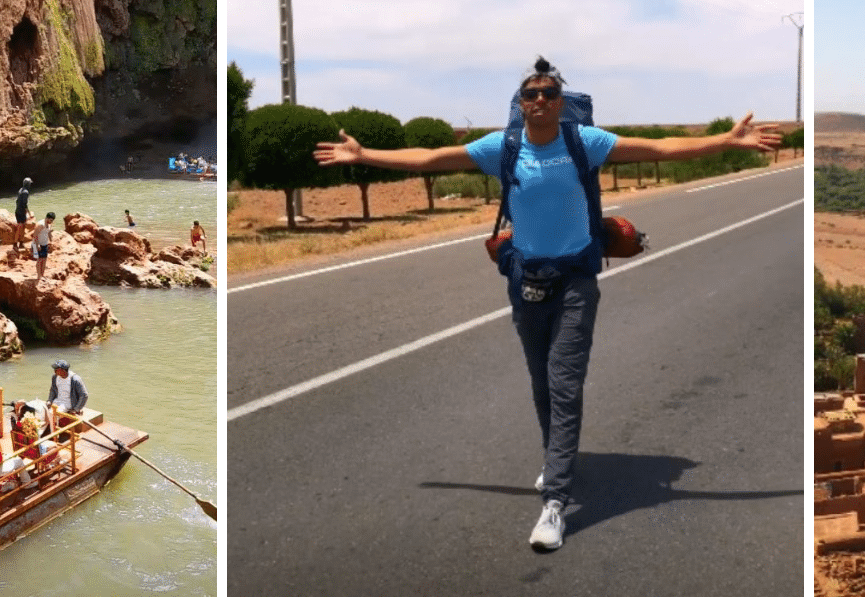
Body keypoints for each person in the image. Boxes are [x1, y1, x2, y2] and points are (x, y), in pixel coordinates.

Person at [314, 56, 780, 550]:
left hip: (577, 279)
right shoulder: (503, 147)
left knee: (564, 382)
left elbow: (662, 148)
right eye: (531, 94)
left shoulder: (584, 142)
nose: (540, 100)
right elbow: (431, 158)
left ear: (561, 103)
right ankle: (554, 458)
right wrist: (364, 154)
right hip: (526, 279)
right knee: (542, 383)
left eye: (549, 94)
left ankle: (555, 501)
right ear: (520, 104)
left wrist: (726, 141)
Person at [33, 211, 54, 282]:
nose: (51, 222)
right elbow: (35, 235)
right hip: (38, 244)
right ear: (47, 218)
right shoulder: (41, 224)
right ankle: (39, 276)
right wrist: (37, 245)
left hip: (45, 244)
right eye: (50, 220)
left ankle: (42, 275)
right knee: (39, 260)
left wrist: (51, 241)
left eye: (52, 220)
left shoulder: (49, 224)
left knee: (44, 260)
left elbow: (49, 232)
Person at [14, 177, 32, 252]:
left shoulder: (20, 189)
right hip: (21, 212)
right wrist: (28, 212)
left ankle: (20, 243)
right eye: (30, 184)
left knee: (21, 226)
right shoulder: (26, 192)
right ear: (28, 184)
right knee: (21, 227)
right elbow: (24, 204)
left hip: (17, 211)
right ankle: (16, 243)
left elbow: (17, 201)